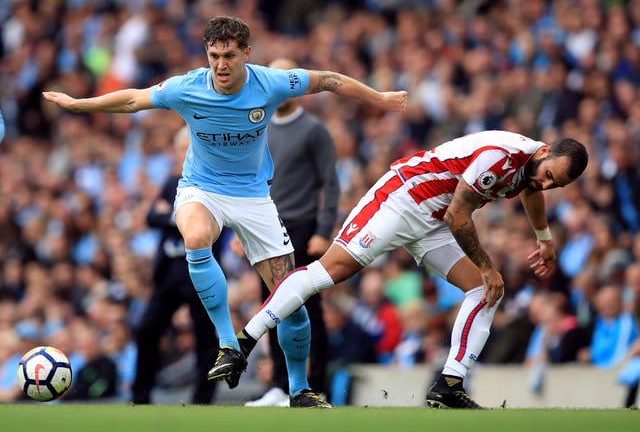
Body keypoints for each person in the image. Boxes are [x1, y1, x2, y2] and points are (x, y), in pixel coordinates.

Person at [42, 15, 407, 408]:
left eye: (229, 55)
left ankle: (300, 390)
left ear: (246, 54)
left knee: (292, 302)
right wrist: (82, 105)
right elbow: (134, 99)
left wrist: (380, 98)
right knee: (196, 237)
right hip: (202, 189)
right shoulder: (188, 87)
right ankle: (229, 344)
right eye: (214, 55)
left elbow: (330, 80)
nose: (221, 65)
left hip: (254, 198)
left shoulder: (271, 82)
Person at [209, 130, 589, 409]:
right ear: (544, 150)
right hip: (402, 200)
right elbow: (461, 216)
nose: (545, 183)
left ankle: (449, 384)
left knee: (486, 290)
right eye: (550, 173)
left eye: (556, 184)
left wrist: (544, 237)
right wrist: (488, 265)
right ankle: (241, 342)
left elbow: (530, 191)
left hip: (434, 221)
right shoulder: (500, 158)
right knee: (329, 273)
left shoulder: (530, 169)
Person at [243, 58, 339, 407]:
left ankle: (316, 384)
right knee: (272, 308)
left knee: (309, 308)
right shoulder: (261, 127)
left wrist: (323, 230)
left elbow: (330, 182)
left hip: (302, 227)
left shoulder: (314, 130)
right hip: (265, 229)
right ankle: (282, 387)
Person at [130, 126, 218, 405]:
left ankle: (203, 398)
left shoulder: (213, 184)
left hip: (200, 269)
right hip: (169, 270)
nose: (182, 155)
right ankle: (140, 394)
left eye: (187, 149)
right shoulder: (171, 183)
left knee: (204, 335)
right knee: (147, 329)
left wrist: (171, 217)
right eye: (181, 149)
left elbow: (209, 225)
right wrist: (180, 219)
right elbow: (150, 218)